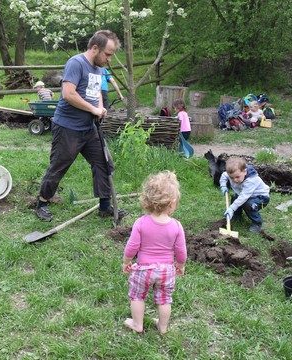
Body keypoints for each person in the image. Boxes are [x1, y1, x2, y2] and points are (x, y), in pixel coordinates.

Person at [35, 30, 129, 222]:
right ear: (95, 48)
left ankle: (104, 206)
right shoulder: (76, 63)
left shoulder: (99, 68)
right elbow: (68, 94)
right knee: (59, 165)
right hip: (68, 127)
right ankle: (42, 203)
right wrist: (93, 109)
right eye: (108, 54)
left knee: (103, 162)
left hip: (89, 127)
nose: (110, 59)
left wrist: (100, 108)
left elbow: (96, 95)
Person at [122, 171, 187, 335]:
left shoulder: (141, 223)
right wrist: (180, 265)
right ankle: (163, 327)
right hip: (166, 270)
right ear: (172, 203)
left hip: (143, 269)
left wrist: (126, 261)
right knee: (165, 300)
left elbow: (132, 246)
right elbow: (181, 251)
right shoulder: (176, 226)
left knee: (137, 296)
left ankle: (138, 324)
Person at [220, 157, 270, 233]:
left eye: (237, 177)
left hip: (260, 198)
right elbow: (224, 175)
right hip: (246, 194)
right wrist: (223, 186)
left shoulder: (251, 180)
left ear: (245, 171)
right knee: (235, 198)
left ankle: (257, 223)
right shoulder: (233, 173)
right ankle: (237, 216)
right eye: (231, 178)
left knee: (248, 205)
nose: (235, 180)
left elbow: (244, 197)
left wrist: (231, 208)